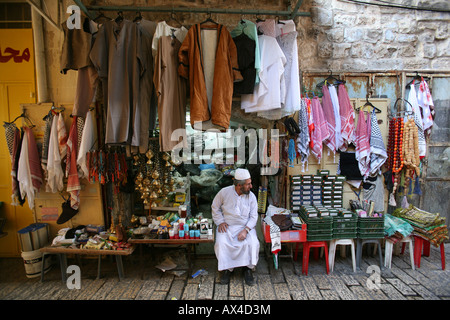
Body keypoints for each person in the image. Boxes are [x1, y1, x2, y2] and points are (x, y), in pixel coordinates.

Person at [211, 168, 259, 286]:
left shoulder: (251, 197)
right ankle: (227, 269)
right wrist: (220, 221)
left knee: (253, 243)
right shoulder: (224, 192)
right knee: (221, 243)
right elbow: (215, 207)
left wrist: (246, 230)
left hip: (245, 227)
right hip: (227, 226)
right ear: (239, 185)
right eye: (248, 184)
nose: (251, 186)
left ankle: (247, 269)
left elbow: (254, 216)